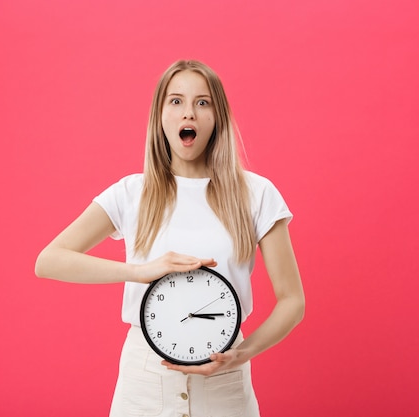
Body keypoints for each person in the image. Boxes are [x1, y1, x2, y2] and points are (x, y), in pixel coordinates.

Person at [35, 60, 305, 417]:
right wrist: (141, 271)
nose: (188, 113)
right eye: (175, 102)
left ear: (217, 117)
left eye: (202, 102)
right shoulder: (132, 193)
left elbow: (292, 300)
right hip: (144, 379)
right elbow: (49, 260)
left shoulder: (256, 194)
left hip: (224, 376)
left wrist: (240, 355)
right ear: (160, 116)